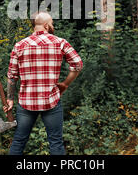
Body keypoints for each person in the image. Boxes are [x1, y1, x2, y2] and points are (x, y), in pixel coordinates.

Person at [5, 11, 83, 155]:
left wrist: (10, 99)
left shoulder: (20, 46)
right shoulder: (60, 42)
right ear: (46, 25)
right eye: (52, 23)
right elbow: (77, 64)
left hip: (26, 103)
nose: (53, 26)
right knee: (56, 142)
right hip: (51, 101)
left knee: (19, 141)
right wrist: (65, 84)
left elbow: (12, 76)